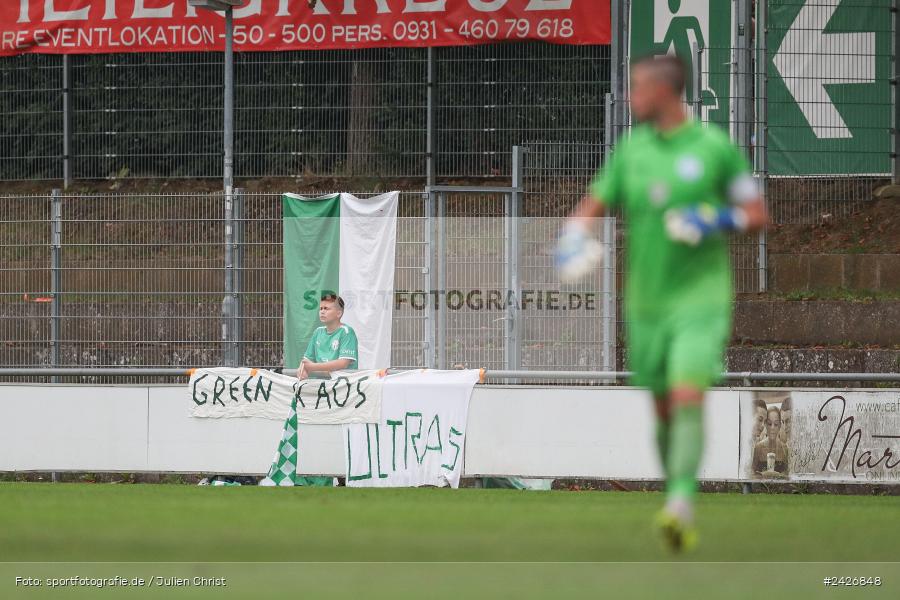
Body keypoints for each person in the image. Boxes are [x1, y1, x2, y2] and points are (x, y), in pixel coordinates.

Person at [555, 54, 768, 552]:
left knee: (687, 393)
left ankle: (680, 503)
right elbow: (592, 206)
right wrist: (573, 236)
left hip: (700, 298)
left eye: (637, 89)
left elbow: (756, 213)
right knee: (663, 408)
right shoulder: (632, 151)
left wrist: (715, 219)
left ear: (664, 92)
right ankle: (676, 489)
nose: (630, 98)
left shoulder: (714, 147)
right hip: (646, 303)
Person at [297, 294, 358, 380]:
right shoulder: (318, 332)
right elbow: (307, 359)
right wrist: (302, 368)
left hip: (342, 385)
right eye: (321, 308)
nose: (322, 311)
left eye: (326, 308)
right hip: (322, 384)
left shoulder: (346, 332)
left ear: (339, 313)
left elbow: (343, 363)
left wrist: (313, 367)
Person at [753, 407, 789, 476]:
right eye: (769, 424)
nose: (772, 428)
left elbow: (787, 473)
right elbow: (751, 474)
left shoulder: (785, 448)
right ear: (765, 424)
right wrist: (762, 475)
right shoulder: (758, 448)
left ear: (780, 426)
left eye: (776, 424)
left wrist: (779, 476)